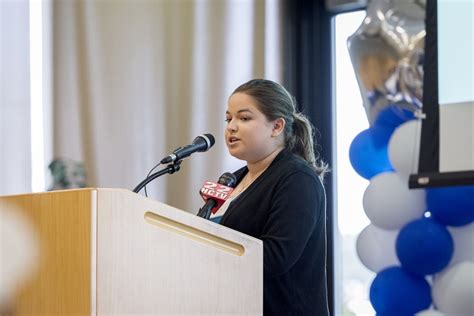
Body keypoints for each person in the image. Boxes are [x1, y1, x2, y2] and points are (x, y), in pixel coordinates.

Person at [212, 79, 329, 315]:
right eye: (228, 118)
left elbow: (275, 257)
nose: (231, 127)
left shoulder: (297, 178)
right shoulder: (232, 179)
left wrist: (208, 255)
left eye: (244, 118)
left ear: (276, 127)